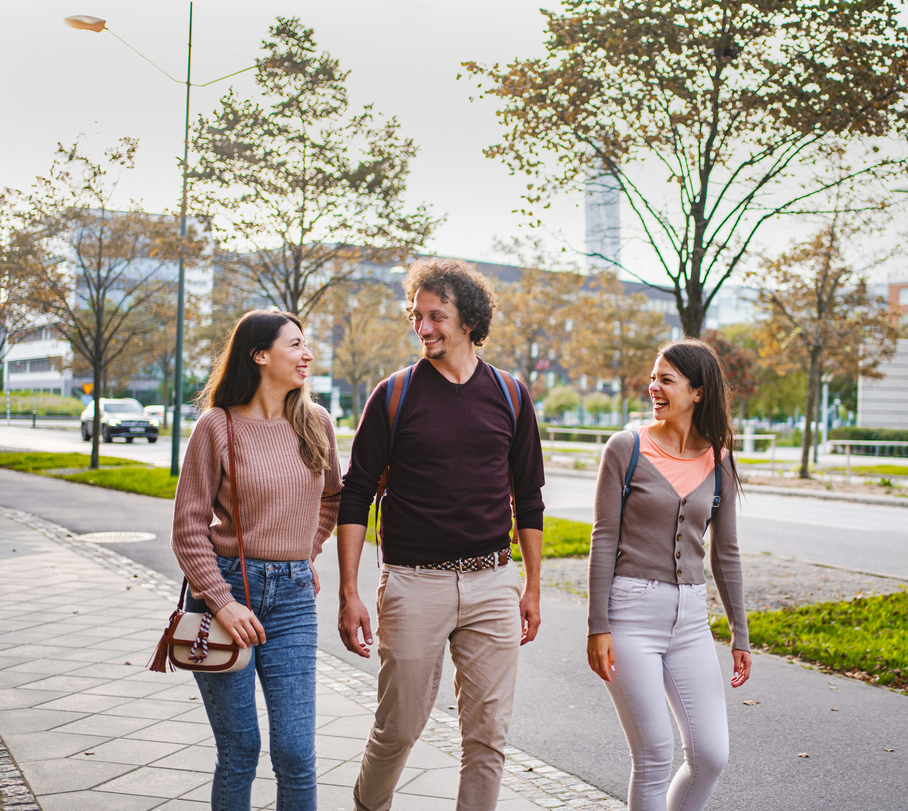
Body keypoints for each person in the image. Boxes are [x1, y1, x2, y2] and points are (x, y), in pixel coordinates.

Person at [337, 258, 545, 811]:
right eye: (416, 315)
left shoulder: (511, 395)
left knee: (488, 735)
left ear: (469, 321)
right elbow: (355, 494)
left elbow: (529, 499)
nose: (422, 327)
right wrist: (349, 591)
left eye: (436, 316)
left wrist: (532, 586)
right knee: (399, 728)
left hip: (493, 583)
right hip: (413, 583)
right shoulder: (394, 394)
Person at [171, 310, 342, 811]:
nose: (307, 354)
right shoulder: (216, 426)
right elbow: (188, 527)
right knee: (240, 749)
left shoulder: (316, 423)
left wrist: (306, 549)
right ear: (260, 355)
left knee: (297, 752)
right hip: (226, 593)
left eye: (306, 344)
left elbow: (332, 497)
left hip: (293, 599)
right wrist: (222, 602)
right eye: (296, 344)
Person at [587, 338, 751, 811]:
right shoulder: (626, 448)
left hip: (691, 620)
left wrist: (740, 633)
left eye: (666, 380)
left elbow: (726, 553)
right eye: (652, 378)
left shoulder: (720, 460)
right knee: (654, 755)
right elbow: (603, 538)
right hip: (630, 613)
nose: (653, 387)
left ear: (698, 392)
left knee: (711, 756)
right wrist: (597, 626)